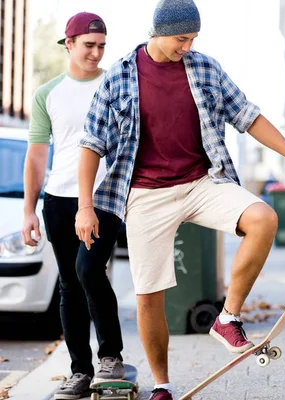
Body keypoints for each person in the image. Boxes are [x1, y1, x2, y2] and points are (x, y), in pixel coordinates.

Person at [74, 1, 285, 399]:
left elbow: (249, 116)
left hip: (202, 182)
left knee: (263, 219)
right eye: (181, 38)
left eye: (193, 38)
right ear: (157, 31)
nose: (187, 46)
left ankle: (228, 318)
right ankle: (162, 384)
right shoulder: (120, 75)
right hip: (145, 194)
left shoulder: (205, 68)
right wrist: (85, 206)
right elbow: (91, 145)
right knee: (149, 295)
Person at [22, 12, 127, 400]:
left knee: (89, 270)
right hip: (59, 200)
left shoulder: (117, 86)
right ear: (69, 44)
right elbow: (36, 155)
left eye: (101, 46)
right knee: (69, 284)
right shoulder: (47, 93)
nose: (96, 53)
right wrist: (29, 210)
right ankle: (79, 372)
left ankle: (111, 357)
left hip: (105, 197)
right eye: (88, 45)